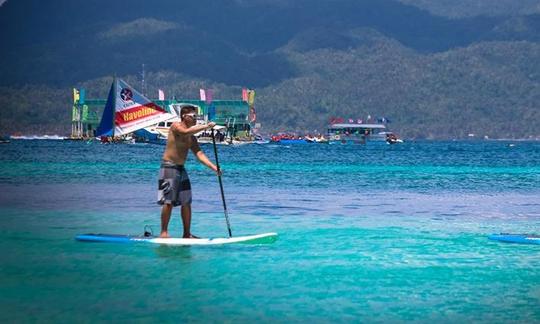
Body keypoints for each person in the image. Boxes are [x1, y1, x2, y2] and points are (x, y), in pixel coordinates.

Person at [158, 105, 221, 238]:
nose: (196, 119)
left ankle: (187, 234)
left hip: (181, 169)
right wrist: (206, 126)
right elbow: (185, 131)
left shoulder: (192, 138)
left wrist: (214, 168)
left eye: (197, 116)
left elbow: (199, 154)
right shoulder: (176, 127)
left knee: (186, 202)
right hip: (169, 167)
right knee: (168, 201)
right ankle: (164, 232)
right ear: (184, 116)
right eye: (193, 116)